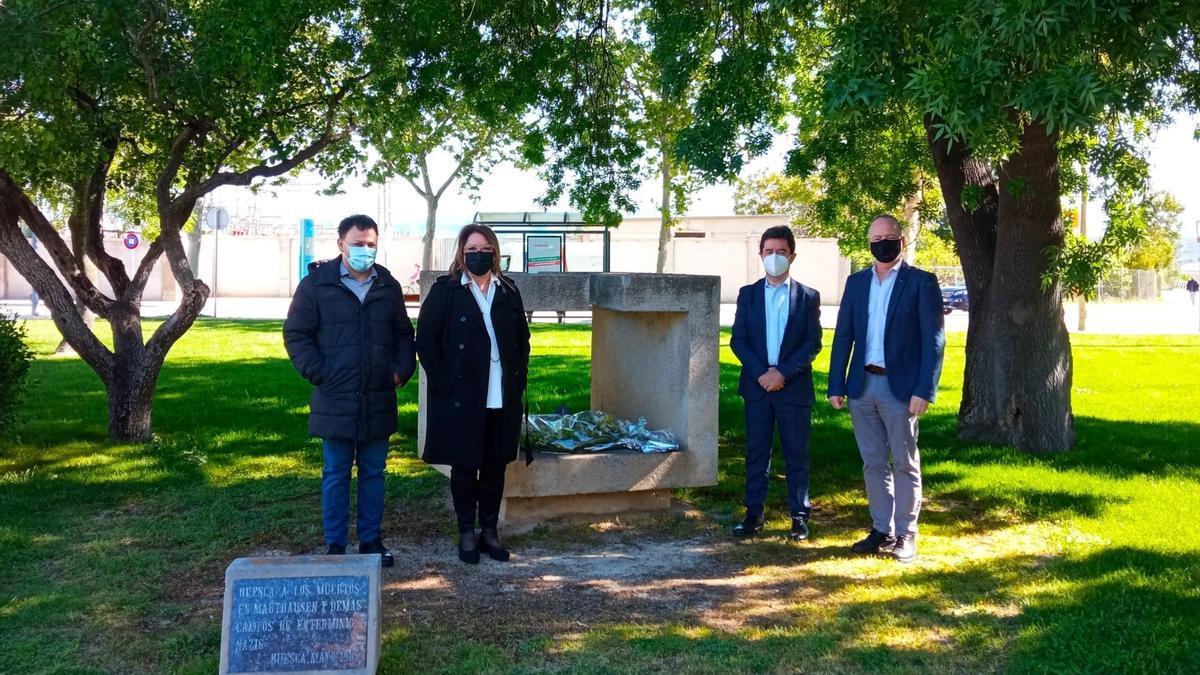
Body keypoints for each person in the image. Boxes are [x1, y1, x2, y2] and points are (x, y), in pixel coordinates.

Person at [283, 214, 415, 567]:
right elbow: (297, 334)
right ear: (341, 243)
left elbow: (404, 334)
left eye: (371, 244)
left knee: (374, 473)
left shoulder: (387, 286)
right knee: (336, 473)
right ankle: (335, 546)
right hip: (335, 398)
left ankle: (371, 542)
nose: (365, 250)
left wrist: (401, 372)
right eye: (358, 244)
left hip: (378, 397)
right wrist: (320, 373)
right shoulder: (316, 285)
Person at [828, 214, 945, 563]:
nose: (882, 242)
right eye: (875, 237)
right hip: (862, 386)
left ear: (902, 240)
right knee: (873, 463)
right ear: (868, 243)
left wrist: (924, 389)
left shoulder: (921, 283)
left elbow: (934, 341)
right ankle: (882, 528)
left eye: (888, 236)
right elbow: (843, 336)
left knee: (905, 463)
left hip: (902, 389)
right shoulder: (857, 283)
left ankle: (907, 534)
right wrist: (837, 384)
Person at [417, 224, 531, 564]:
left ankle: (489, 533)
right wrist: (442, 382)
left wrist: (519, 378)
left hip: (501, 392)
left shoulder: (509, 290)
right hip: (461, 394)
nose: (477, 254)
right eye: (471, 249)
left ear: (494, 252)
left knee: (496, 467)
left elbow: (522, 340)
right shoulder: (446, 290)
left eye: (484, 248)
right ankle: (466, 533)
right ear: (461, 253)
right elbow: (426, 340)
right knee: (464, 467)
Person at [730, 226, 823, 541]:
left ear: (792, 255)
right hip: (757, 387)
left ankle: (799, 517)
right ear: (760, 254)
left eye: (780, 252)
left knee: (797, 455)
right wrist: (762, 374)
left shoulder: (808, 297)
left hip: (792, 387)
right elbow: (738, 340)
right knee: (757, 453)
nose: (774, 257)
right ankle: (753, 514)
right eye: (768, 251)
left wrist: (782, 373)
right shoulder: (748, 294)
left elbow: (812, 343)